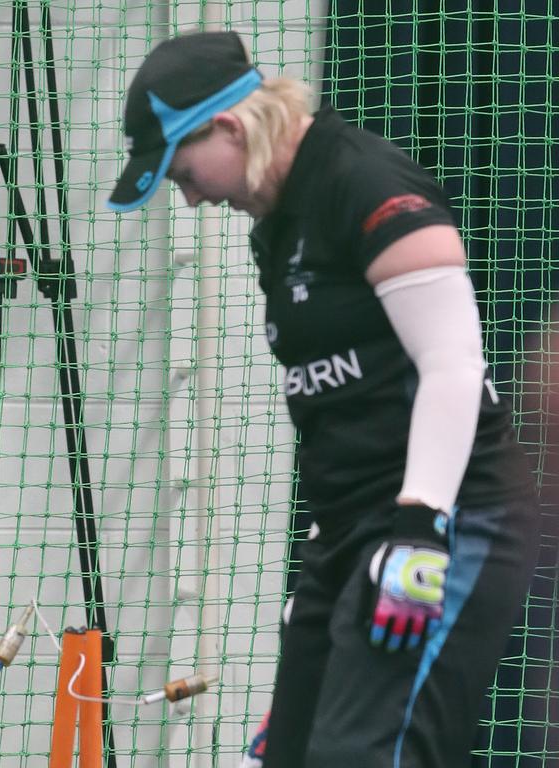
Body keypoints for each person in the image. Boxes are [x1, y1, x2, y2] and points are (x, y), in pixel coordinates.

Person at [108, 31, 541, 767]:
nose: (190, 196)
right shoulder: (275, 224)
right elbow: (342, 401)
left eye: (184, 173)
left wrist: (420, 531)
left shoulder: (363, 181)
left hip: (445, 522)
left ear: (230, 127)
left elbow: (453, 362)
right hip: (351, 531)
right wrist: (328, 541)